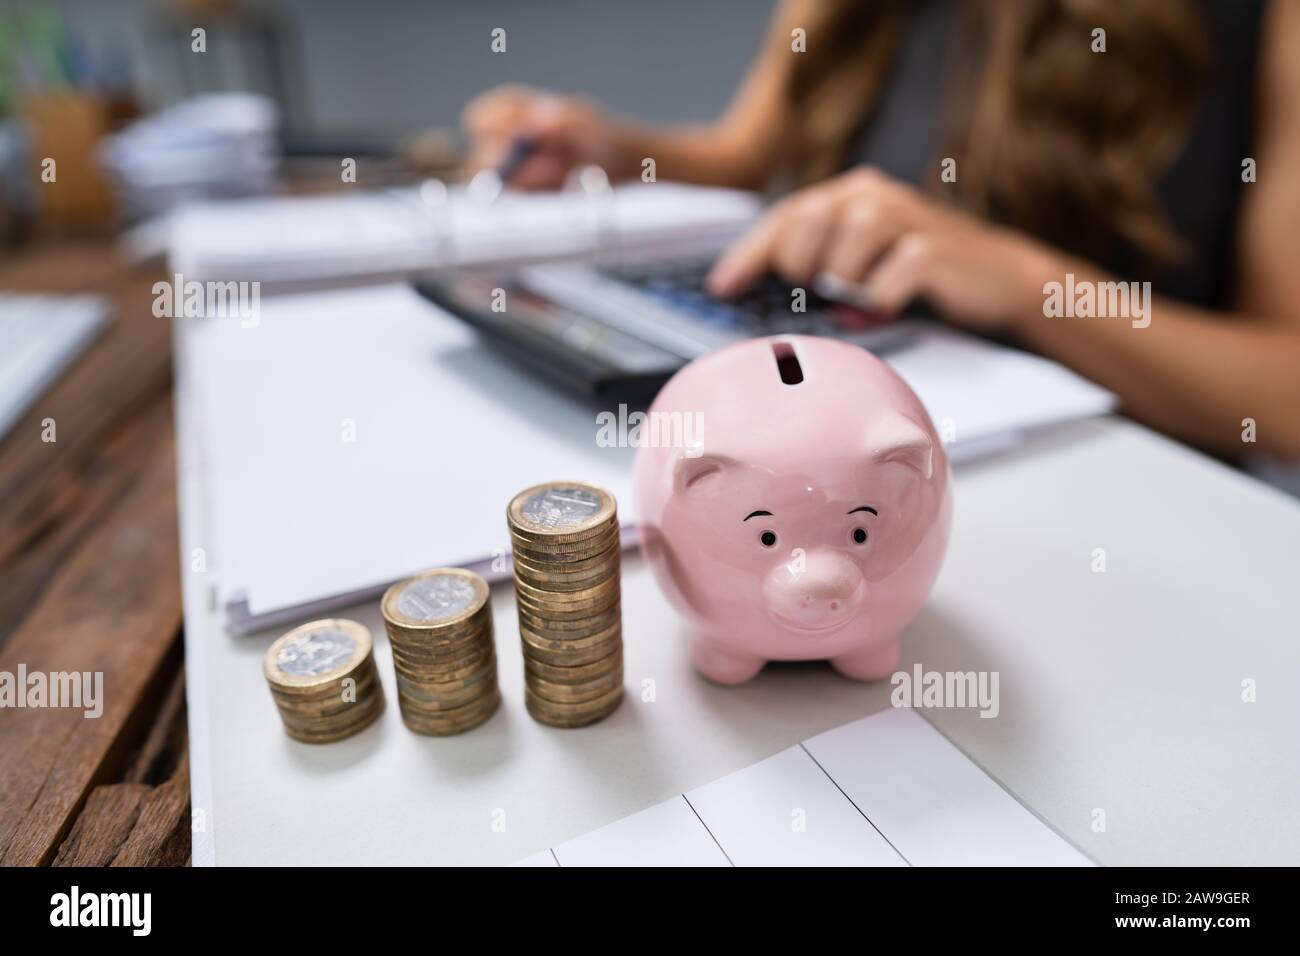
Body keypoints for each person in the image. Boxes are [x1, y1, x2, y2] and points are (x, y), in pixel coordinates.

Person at [462, 0, 1300, 472]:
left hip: (1115, 486)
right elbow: (747, 156)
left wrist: (1027, 284)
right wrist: (619, 149)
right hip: (835, 436)